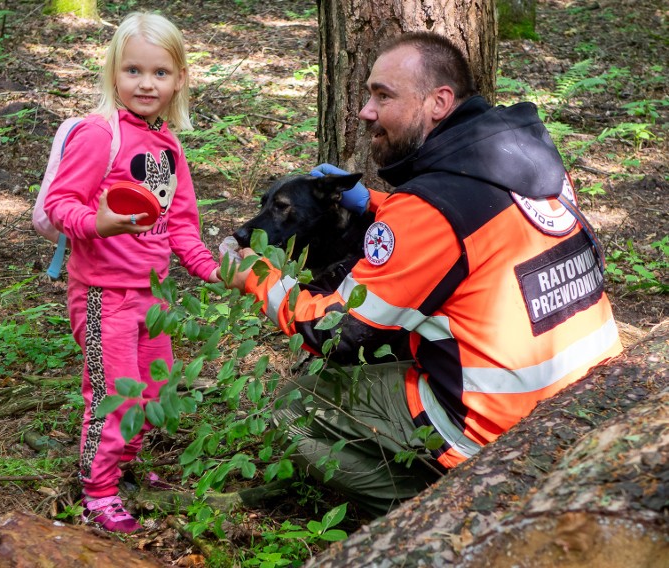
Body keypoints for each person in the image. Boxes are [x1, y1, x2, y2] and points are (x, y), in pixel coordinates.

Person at [229, 32, 621, 515]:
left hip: (502, 433)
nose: (365, 111)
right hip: (589, 396)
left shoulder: (428, 211)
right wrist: (379, 206)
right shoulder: (529, 157)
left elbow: (332, 330)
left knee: (296, 404)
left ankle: (433, 510)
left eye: (383, 95)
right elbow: (468, 228)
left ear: (439, 102)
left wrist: (253, 272)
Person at [44, 12, 220, 533]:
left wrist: (214, 270)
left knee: (152, 390)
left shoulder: (168, 146)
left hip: (155, 296)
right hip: (104, 296)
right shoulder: (101, 135)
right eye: (134, 71)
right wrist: (94, 224)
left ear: (180, 78)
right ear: (113, 73)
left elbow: (181, 223)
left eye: (160, 73)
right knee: (114, 393)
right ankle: (98, 493)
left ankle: (125, 467)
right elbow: (60, 204)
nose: (147, 84)